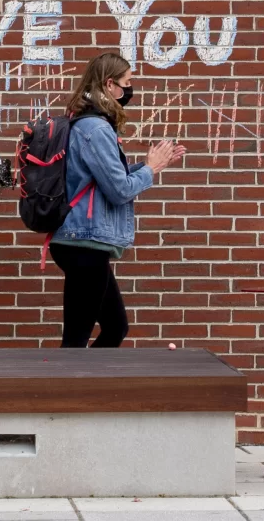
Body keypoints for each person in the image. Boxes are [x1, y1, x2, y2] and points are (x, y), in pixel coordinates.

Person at [51, 51, 185, 347]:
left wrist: (152, 165)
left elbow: (102, 179)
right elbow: (120, 189)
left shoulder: (86, 123)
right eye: (127, 82)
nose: (129, 90)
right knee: (75, 341)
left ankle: (87, 388)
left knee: (114, 327)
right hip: (83, 244)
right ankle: (68, 391)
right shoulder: (95, 128)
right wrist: (151, 169)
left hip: (83, 245)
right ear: (110, 85)